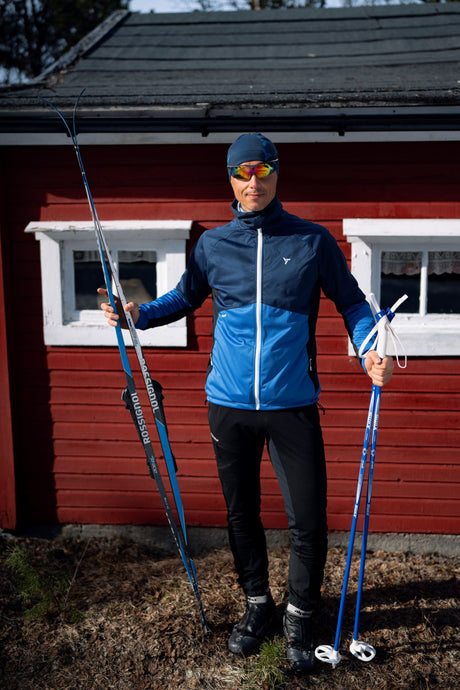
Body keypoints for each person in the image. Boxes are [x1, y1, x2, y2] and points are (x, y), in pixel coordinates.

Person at [98, 133, 394, 674]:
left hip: (292, 405)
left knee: (308, 519)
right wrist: (137, 314)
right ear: (230, 178)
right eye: (241, 171)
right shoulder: (213, 245)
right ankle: (258, 606)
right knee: (242, 513)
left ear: (276, 173)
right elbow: (185, 296)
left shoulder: (312, 241)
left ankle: (300, 616)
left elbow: (352, 303)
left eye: (261, 170)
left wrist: (370, 348)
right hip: (229, 404)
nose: (252, 181)